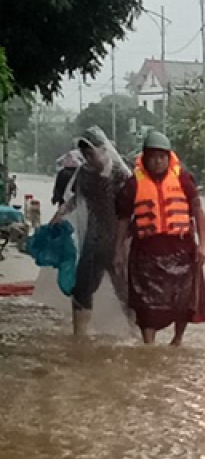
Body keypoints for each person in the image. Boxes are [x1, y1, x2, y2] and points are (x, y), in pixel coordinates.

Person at [115, 129, 205, 346]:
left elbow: (198, 214)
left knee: (183, 301)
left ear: (169, 157)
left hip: (181, 249)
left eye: (161, 157)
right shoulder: (133, 185)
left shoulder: (183, 180)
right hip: (147, 252)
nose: (157, 162)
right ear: (145, 158)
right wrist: (118, 250)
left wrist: (202, 246)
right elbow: (122, 221)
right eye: (153, 157)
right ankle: (149, 346)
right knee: (146, 305)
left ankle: (177, 340)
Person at [51, 125, 130, 336]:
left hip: (118, 240)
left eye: (91, 151)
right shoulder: (84, 173)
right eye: (84, 153)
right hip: (93, 239)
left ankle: (138, 337)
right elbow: (75, 199)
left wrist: (124, 243)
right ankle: (80, 337)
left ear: (103, 149)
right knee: (82, 288)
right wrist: (59, 215)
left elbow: (132, 207)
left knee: (126, 291)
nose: (88, 157)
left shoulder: (119, 174)